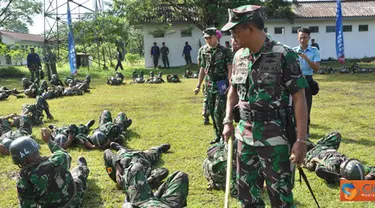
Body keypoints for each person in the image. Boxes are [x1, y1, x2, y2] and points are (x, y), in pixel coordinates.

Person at [221, 5, 309, 207]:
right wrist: (227, 121)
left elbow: (299, 97)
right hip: (244, 136)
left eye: (235, 30)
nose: (233, 35)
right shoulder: (238, 56)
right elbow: (233, 91)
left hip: (275, 139)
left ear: (250, 28)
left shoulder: (283, 55)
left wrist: (301, 139)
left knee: (280, 197)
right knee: (247, 195)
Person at [10, 129, 89, 207]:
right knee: (78, 175)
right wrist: (48, 140)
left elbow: (28, 205)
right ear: (36, 149)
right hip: (73, 203)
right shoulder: (58, 160)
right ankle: (82, 166)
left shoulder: (23, 180)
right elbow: (62, 153)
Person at [195, 27, 233, 144]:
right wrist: (198, 85)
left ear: (216, 36)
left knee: (218, 112)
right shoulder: (202, 50)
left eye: (209, 38)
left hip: (221, 84)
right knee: (211, 111)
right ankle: (217, 135)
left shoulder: (225, 51)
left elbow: (230, 68)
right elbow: (202, 68)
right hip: (209, 84)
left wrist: (230, 85)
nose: (207, 40)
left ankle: (223, 136)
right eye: (205, 38)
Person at [303, 132, 375, 183]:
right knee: (336, 135)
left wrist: (338, 179)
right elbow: (373, 169)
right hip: (326, 147)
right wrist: (366, 178)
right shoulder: (355, 167)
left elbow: (319, 170)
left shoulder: (333, 168)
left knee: (297, 139)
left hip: (310, 153)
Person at [103, 142, 171, 189]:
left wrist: (117, 170)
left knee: (119, 149)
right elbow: (164, 171)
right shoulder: (145, 177)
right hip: (143, 156)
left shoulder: (118, 176)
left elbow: (107, 152)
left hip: (125, 154)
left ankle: (119, 148)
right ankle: (158, 148)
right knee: (155, 151)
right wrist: (148, 181)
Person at [293, 27, 321, 138]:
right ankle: (294, 129)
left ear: (309, 38)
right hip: (295, 79)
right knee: (293, 106)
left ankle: (306, 131)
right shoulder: (293, 51)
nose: (302, 40)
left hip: (307, 79)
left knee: (306, 106)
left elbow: (317, 68)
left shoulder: (314, 51)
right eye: (300, 38)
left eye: (304, 37)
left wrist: (306, 59)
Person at [121, 162, 189, 208]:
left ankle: (149, 188)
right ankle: (154, 194)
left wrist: (127, 204)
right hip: (168, 204)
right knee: (181, 175)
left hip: (141, 203)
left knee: (136, 168)